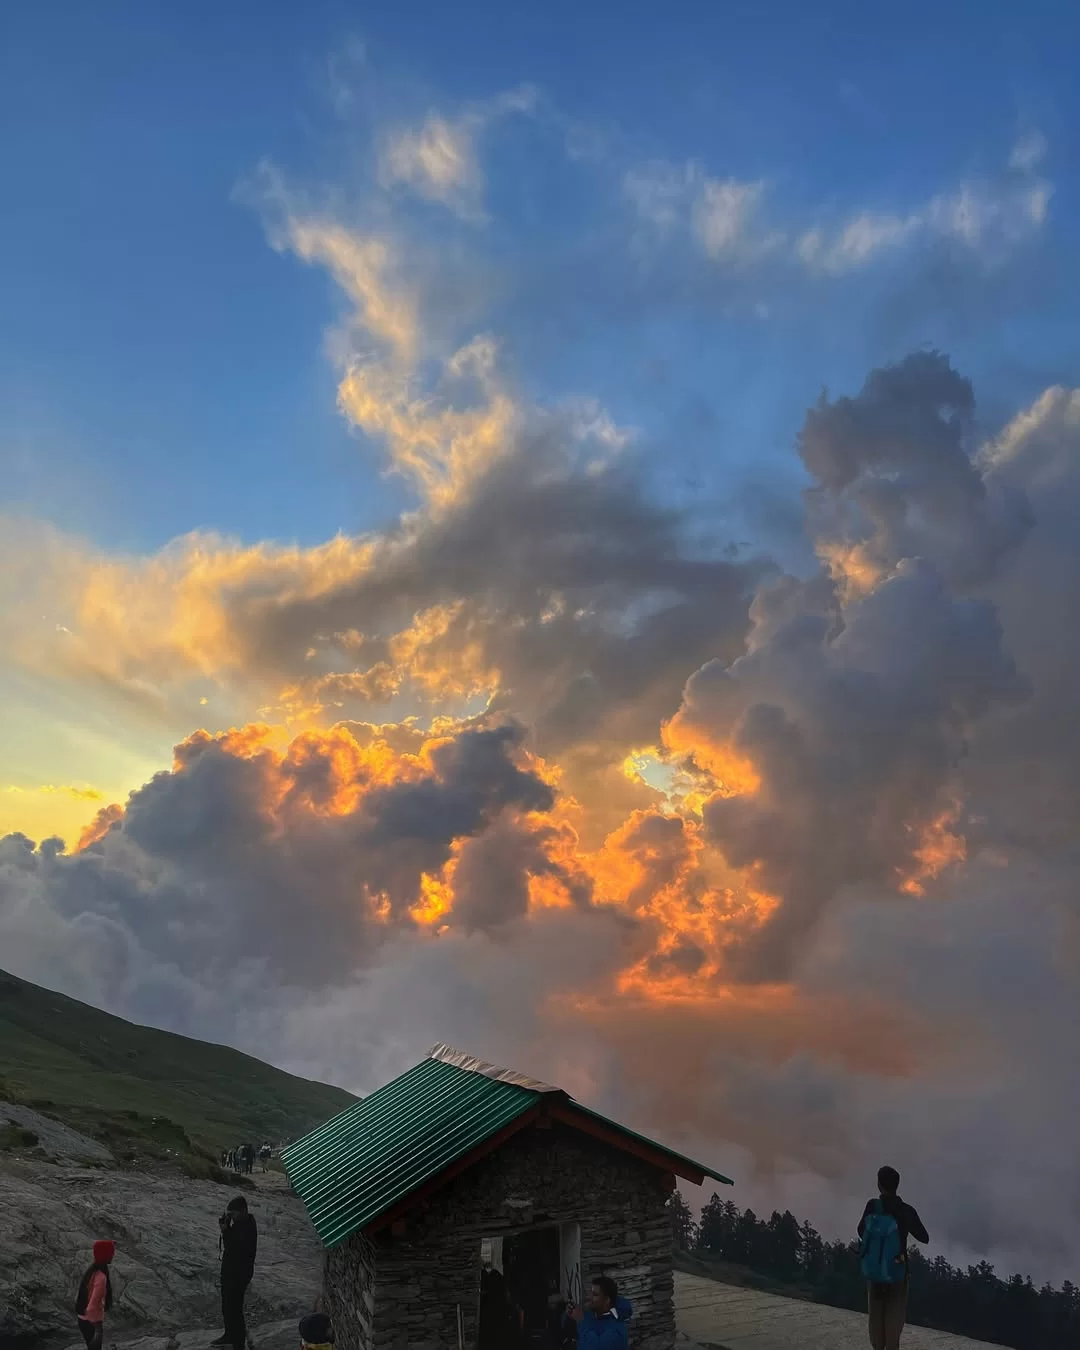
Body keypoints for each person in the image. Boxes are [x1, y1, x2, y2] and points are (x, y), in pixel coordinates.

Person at [858, 1166, 929, 1350]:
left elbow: (860, 1230)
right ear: (897, 1185)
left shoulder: (872, 1206)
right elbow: (924, 1237)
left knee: (876, 1318)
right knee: (893, 1320)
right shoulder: (906, 1210)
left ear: (879, 1184)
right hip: (898, 1270)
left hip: (875, 1270)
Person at [212, 1196, 258, 1350]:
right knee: (226, 1306)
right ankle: (229, 1335)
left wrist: (225, 1231)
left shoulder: (248, 1227)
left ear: (243, 1211)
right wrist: (228, 1228)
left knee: (235, 1308)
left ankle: (238, 1342)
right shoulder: (240, 1224)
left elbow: (235, 1248)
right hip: (231, 1271)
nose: (232, 1218)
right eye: (229, 1215)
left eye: (233, 1214)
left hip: (239, 1274)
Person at [566, 1276, 629, 1350]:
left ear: (606, 1300)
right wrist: (572, 1316)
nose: (589, 1297)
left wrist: (581, 1320)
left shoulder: (616, 1330)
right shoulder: (592, 1315)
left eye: (595, 1294)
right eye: (590, 1293)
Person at [75, 1240, 115, 1350]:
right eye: (111, 1253)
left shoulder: (92, 1270)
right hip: (91, 1321)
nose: (113, 1255)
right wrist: (96, 1324)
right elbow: (93, 1304)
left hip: (83, 1318)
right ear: (106, 1255)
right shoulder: (101, 1277)